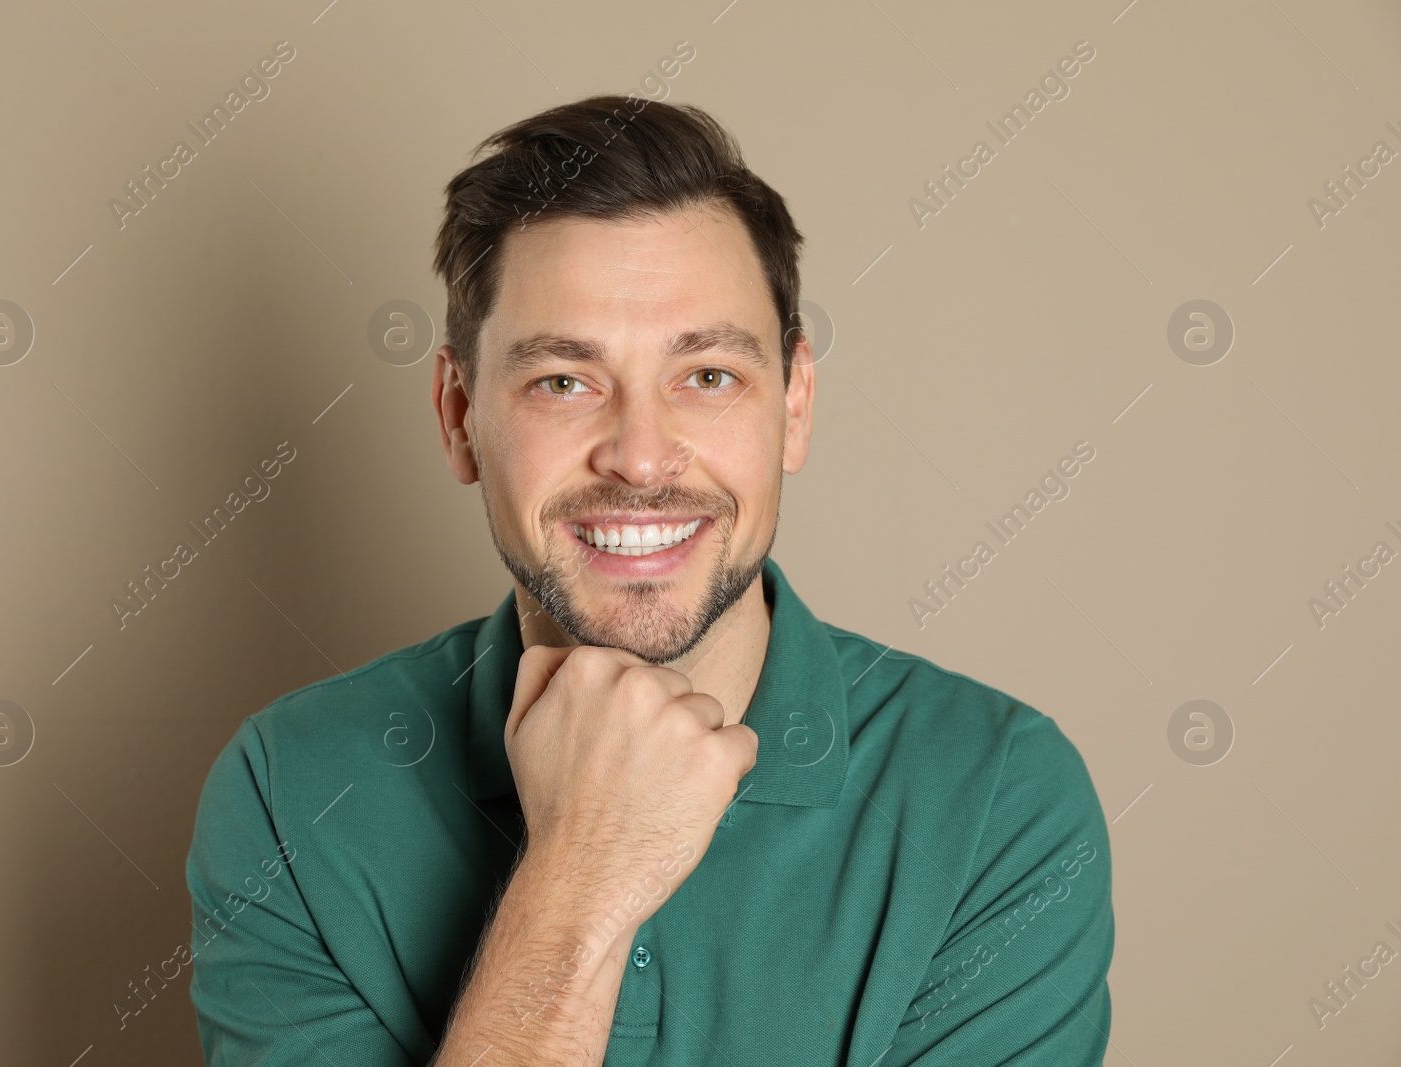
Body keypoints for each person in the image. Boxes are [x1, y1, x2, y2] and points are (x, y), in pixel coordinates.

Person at [185, 93, 1113, 1066]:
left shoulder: (997, 795)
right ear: (458, 413)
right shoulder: (294, 788)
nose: (636, 456)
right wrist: (580, 878)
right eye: (563, 380)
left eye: (707, 375)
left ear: (794, 405)